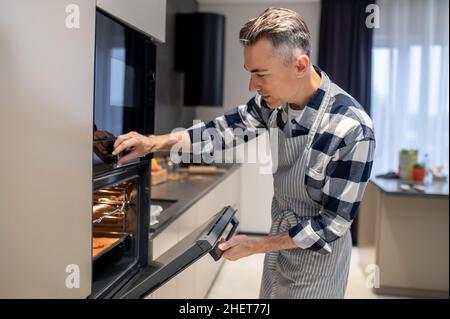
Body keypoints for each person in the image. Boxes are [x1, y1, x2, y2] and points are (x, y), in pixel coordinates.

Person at [112, 7, 375, 299]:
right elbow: (220, 131)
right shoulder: (273, 103)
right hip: (280, 250)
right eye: (250, 74)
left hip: (319, 261)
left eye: (261, 74)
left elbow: (332, 225)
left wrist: (258, 244)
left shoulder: (351, 129)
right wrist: (152, 143)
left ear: (300, 66)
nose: (253, 86)